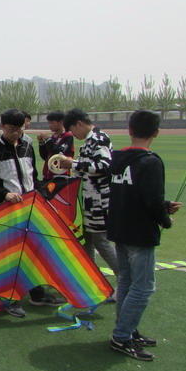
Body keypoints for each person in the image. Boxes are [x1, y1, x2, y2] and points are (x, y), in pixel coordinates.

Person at [107, 110, 181, 361]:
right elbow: (152, 200)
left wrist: (164, 206)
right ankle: (122, 336)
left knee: (127, 283)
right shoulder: (150, 161)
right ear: (156, 133)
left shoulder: (117, 158)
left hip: (120, 229)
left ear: (130, 130)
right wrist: (165, 219)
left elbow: (134, 194)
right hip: (139, 233)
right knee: (143, 287)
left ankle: (127, 331)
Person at [0, 108, 65, 317]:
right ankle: (9, 298)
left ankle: (37, 294)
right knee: (11, 257)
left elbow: (32, 177)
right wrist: (5, 194)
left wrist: (42, 193)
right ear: (2, 127)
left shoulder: (27, 146)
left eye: (20, 129)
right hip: (7, 211)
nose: (16, 133)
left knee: (34, 253)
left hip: (31, 208)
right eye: (11, 129)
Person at [59, 108, 119, 280]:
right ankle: (90, 279)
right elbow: (87, 166)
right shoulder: (89, 141)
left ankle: (125, 278)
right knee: (87, 241)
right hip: (88, 200)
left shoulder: (99, 139)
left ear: (79, 123)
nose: (73, 134)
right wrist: (72, 164)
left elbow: (104, 166)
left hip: (99, 201)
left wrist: (74, 164)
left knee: (100, 241)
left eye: (72, 130)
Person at [37, 111, 74, 180]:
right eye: (49, 123)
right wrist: (41, 143)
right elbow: (45, 156)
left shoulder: (67, 136)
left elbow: (60, 153)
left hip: (60, 175)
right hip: (48, 174)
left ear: (61, 122)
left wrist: (48, 140)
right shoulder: (53, 137)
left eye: (52, 123)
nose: (50, 125)